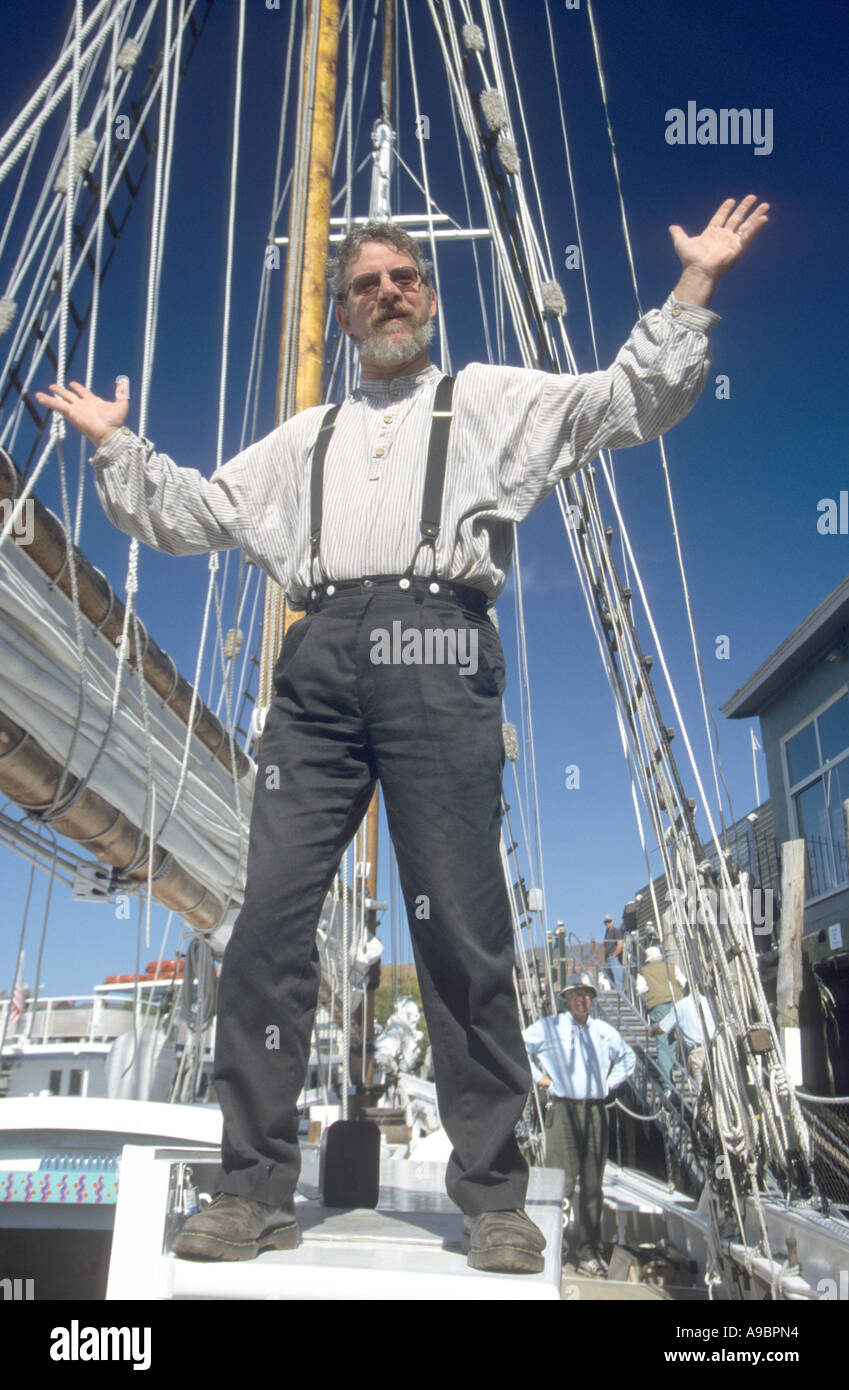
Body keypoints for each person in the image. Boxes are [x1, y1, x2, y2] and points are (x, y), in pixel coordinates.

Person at [35, 196, 768, 1274]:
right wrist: (117, 447)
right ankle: (250, 1189)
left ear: (431, 296)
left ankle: (493, 1198)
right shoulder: (303, 439)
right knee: (267, 925)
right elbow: (191, 514)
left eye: (405, 279)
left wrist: (695, 283)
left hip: (438, 646)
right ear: (341, 315)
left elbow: (627, 401)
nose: (388, 294)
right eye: (366, 285)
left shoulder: (491, 402)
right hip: (320, 662)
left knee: (463, 931)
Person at [523, 974, 635, 1276]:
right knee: (559, 1183)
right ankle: (553, 1249)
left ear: (592, 999)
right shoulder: (549, 1027)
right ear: (567, 998)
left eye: (587, 994)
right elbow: (519, 1046)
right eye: (576, 994)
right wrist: (541, 1079)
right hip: (563, 1111)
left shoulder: (603, 1031)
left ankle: (589, 1253)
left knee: (592, 1185)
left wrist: (606, 1084)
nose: (582, 999)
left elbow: (628, 1058)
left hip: (597, 1112)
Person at [635, 944, 687, 1083]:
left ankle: (668, 1084)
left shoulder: (644, 971)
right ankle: (673, 1075)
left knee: (662, 1044)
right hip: (676, 1004)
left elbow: (640, 990)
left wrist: (648, 998)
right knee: (672, 1041)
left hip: (657, 1006)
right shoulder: (671, 966)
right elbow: (684, 983)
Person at [649, 987, 717, 1092]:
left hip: (698, 1052)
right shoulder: (709, 1002)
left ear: (686, 990)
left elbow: (662, 1028)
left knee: (704, 1091)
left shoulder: (681, 1006)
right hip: (715, 1048)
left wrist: (652, 1031)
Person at [602, 914, 624, 990]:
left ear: (612, 922)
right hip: (607, 959)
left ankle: (620, 998)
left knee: (618, 981)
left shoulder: (616, 931)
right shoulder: (606, 933)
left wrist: (614, 955)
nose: (607, 923)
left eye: (609, 921)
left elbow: (620, 944)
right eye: (606, 922)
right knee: (611, 981)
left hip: (614, 958)